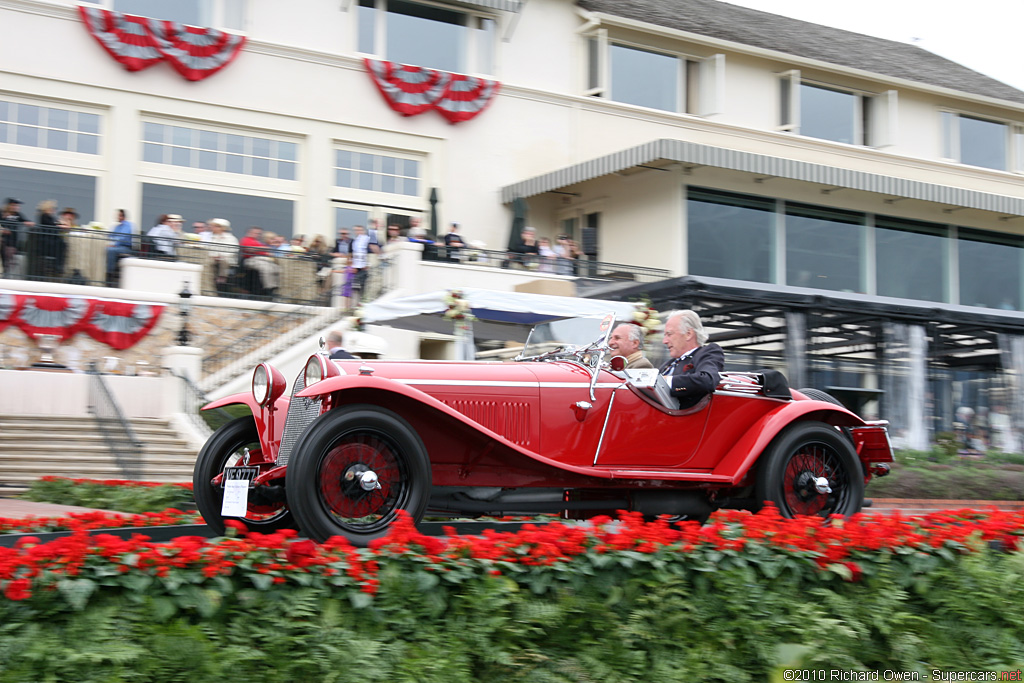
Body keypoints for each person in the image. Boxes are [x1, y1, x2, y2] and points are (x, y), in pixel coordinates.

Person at [660, 309, 724, 409]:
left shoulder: (707, 352)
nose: (665, 341)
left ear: (688, 334)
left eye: (669, 334)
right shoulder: (668, 364)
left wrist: (664, 382)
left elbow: (707, 380)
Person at [239, 226, 280, 296]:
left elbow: (266, 251)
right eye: (255, 233)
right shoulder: (246, 239)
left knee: (276, 268)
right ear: (249, 232)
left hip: (262, 259)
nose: (257, 235)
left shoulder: (258, 242)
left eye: (259, 233)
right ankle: (269, 288)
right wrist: (262, 248)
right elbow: (249, 249)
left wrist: (261, 249)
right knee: (265, 268)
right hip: (251, 259)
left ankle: (275, 287)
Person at [1, 198, 32, 278]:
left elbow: (26, 221)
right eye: (14, 205)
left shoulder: (18, 215)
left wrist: (28, 223)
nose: (16, 207)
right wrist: (3, 230)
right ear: (9, 206)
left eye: (17, 206)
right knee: (4, 260)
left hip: (12, 243)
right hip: (3, 241)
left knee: (9, 261)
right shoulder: (2, 214)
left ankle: (5, 276)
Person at [205, 218, 239, 290]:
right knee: (207, 262)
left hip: (226, 258)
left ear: (223, 228)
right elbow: (208, 248)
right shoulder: (209, 237)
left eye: (217, 226)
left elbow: (233, 250)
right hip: (212, 257)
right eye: (213, 226)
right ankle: (208, 278)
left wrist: (221, 255)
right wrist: (214, 255)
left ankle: (222, 277)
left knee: (224, 260)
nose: (213, 228)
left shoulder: (231, 238)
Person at [106, 209, 134, 280]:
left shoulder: (128, 225)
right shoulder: (117, 227)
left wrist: (114, 244)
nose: (117, 217)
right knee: (106, 249)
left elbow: (123, 237)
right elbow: (111, 235)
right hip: (118, 246)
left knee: (110, 250)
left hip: (126, 248)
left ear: (122, 216)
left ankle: (110, 273)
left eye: (118, 215)